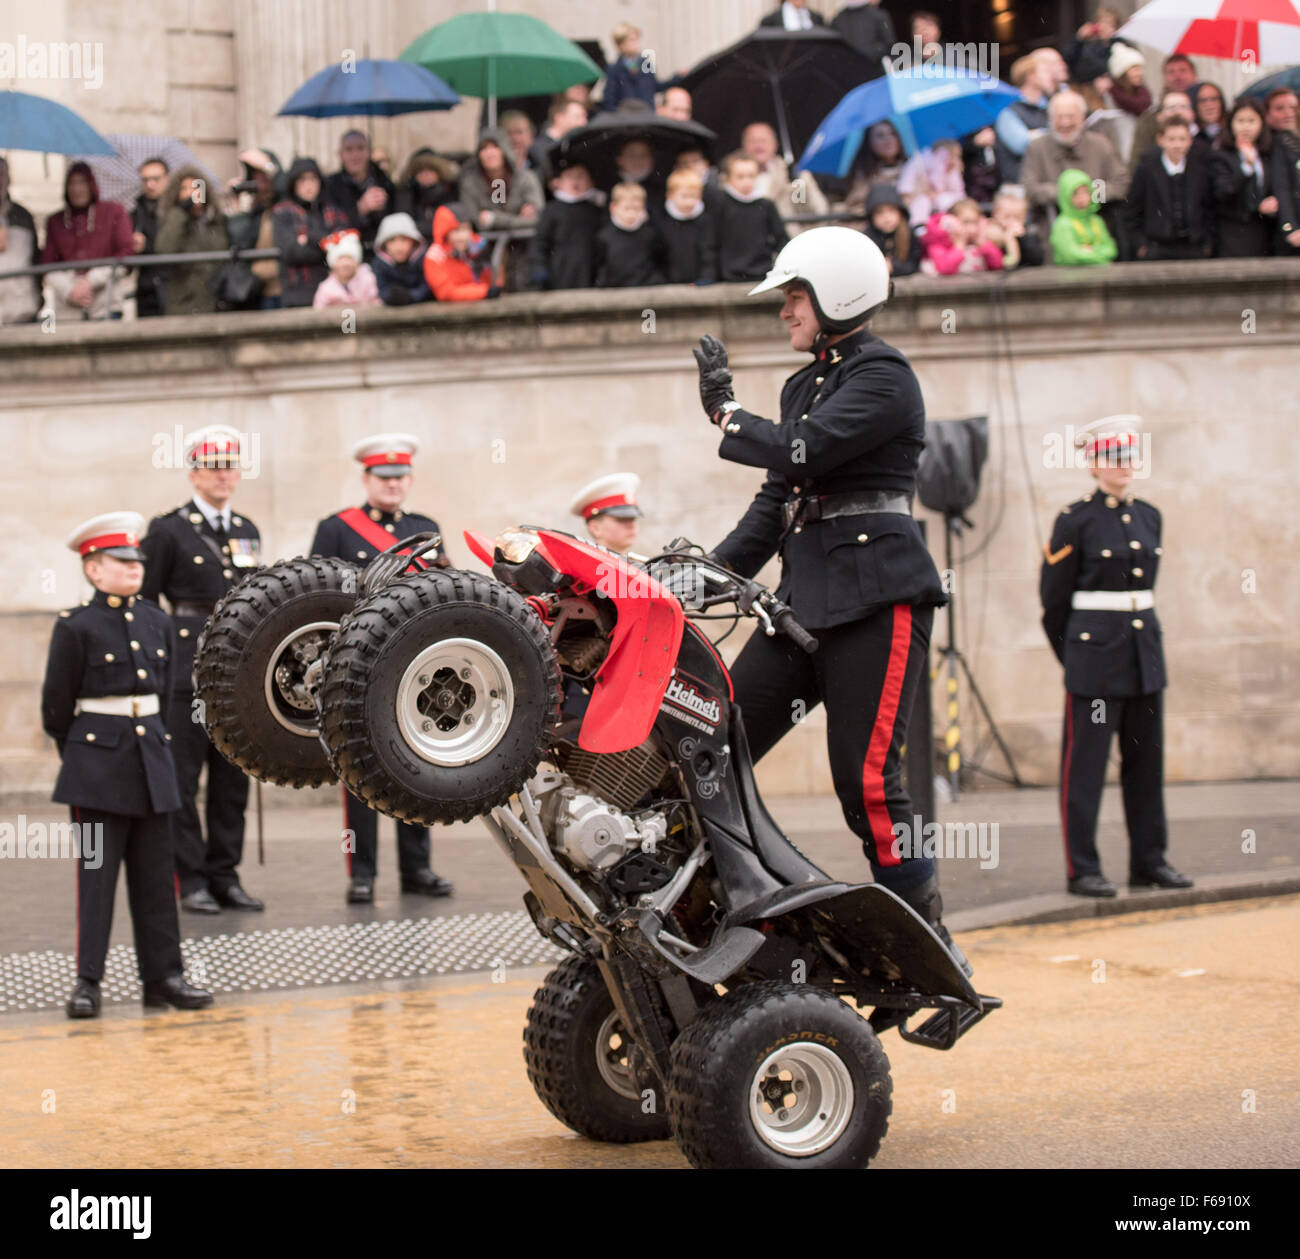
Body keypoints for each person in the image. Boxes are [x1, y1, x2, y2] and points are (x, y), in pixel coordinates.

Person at [693, 226, 963, 967]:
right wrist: (694, 579)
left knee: (867, 782)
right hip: (804, 603)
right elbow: (774, 502)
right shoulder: (804, 382)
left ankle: (928, 944)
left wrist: (727, 414)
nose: (784, 309)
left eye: (795, 295)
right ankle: (725, 910)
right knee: (711, 740)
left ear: (838, 294)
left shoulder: (885, 375)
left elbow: (797, 447)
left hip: (878, 599)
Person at [43, 513, 214, 1019]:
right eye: (120, 561)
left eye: (136, 560)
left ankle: (163, 978)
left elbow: (162, 695)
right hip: (97, 770)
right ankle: (87, 982)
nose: (134, 568)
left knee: (158, 879)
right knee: (96, 879)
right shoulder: (75, 627)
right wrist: (84, 758)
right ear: (93, 569)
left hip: (152, 765)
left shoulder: (157, 621)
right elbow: (56, 711)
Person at [1040, 418, 1192, 898]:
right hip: (1093, 662)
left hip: (1144, 657)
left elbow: (1145, 591)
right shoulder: (1074, 519)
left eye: (1128, 458)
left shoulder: (1150, 515)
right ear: (1093, 464)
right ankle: (1081, 868)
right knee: (1084, 770)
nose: (1123, 467)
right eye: (1112, 458)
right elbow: (1053, 605)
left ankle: (1150, 861)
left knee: (1145, 765)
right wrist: (1078, 659)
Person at [309, 434, 455, 905]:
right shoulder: (336, 529)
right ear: (366, 479)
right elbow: (319, 595)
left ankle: (417, 868)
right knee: (361, 769)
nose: (392, 485)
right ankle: (363, 873)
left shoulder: (425, 527)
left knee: (417, 765)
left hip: (417, 665)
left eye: (399, 477)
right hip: (360, 663)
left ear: (409, 480)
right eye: (383, 477)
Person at [140, 425, 263, 915]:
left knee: (233, 779)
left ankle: (224, 875)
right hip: (185, 673)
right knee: (184, 779)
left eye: (229, 467)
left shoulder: (246, 529)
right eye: (212, 467)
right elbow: (147, 601)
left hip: (235, 671)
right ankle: (189, 879)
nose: (222, 476)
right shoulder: (168, 529)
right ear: (194, 474)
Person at [41, 161, 134, 322]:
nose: (77, 189)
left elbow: (126, 254)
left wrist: (91, 281)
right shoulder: (56, 221)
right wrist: (70, 290)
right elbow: (47, 264)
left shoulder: (114, 212)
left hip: (104, 304)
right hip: (69, 308)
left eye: (82, 182)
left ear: (91, 184)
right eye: (72, 183)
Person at [1023, 91, 1129, 228]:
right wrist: (1069, 194)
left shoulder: (1101, 145)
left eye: (1071, 116)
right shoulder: (1037, 148)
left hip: (1100, 226)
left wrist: (1090, 194)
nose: (1065, 123)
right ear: (1050, 119)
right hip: (1053, 228)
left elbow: (1121, 184)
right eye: (1059, 117)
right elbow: (1031, 190)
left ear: (1082, 118)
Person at [456, 129, 544, 291]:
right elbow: (475, 222)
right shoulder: (471, 183)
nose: (490, 153)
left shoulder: (525, 179)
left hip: (525, 249)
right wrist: (518, 220)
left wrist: (495, 219)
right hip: (484, 252)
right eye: (484, 148)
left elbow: (538, 218)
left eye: (494, 147)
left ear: (504, 149)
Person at [1123, 117, 1215, 261]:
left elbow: (1209, 207)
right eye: (1171, 139)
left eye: (1182, 139)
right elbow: (1132, 210)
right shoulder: (1146, 169)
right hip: (1157, 248)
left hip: (1194, 247)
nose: (1177, 145)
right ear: (1160, 140)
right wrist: (1141, 246)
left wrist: (1207, 243)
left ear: (1190, 141)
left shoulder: (1200, 169)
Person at [271, 157, 350, 308]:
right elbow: (290, 252)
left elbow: (345, 248)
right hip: (297, 294)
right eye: (302, 180)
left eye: (313, 179)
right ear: (293, 183)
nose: (308, 185)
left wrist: (309, 239)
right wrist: (326, 244)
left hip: (335, 291)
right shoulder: (283, 212)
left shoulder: (333, 211)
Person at [153, 164, 229, 315]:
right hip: (185, 302)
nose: (191, 193)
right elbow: (164, 249)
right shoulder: (174, 219)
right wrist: (180, 213)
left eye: (195, 187)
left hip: (216, 300)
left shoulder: (216, 220)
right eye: (184, 189)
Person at [1210, 100, 1277, 258]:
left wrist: (1274, 201)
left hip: (1265, 231)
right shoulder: (1221, 155)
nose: (1246, 127)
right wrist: (1246, 166)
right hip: (1234, 232)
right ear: (1231, 124)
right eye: (1240, 121)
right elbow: (1224, 192)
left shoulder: (1268, 153)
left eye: (1251, 121)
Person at [223, 147, 284, 311]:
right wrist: (236, 207)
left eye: (264, 178)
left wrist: (268, 166)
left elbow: (285, 188)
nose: (261, 184)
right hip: (257, 291)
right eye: (256, 179)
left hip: (284, 288)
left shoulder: (283, 205)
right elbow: (240, 242)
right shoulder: (254, 213)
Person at [742, 121, 830, 234]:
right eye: (753, 141)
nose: (758, 146)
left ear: (775, 144)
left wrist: (800, 185)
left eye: (763, 141)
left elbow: (816, 212)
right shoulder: (731, 177)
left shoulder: (792, 174)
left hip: (785, 239)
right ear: (744, 145)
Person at [714, 151, 787, 283]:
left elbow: (781, 239)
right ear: (728, 178)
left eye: (751, 176)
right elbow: (711, 242)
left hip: (762, 274)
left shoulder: (766, 205)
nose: (747, 181)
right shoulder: (720, 204)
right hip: (727, 278)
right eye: (740, 177)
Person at [322, 130, 396, 257]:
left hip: (383, 257)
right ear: (340, 154)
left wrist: (383, 208)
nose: (355, 155)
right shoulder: (330, 186)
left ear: (369, 152)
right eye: (349, 150)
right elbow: (331, 229)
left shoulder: (385, 183)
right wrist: (360, 209)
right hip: (347, 258)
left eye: (361, 148)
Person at [994, 51, 1062, 180]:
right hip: (1023, 184)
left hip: (1051, 178)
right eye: (1045, 72)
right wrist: (1054, 132)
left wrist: (1035, 134)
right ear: (1031, 76)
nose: (1051, 76)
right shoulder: (1008, 110)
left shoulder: (1050, 104)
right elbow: (1021, 145)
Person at [423, 203, 501, 302]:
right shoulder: (435, 257)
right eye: (456, 231)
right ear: (445, 233)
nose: (462, 236)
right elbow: (446, 293)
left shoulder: (479, 247)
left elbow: (492, 279)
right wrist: (484, 292)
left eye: (465, 229)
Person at [595, 182, 665, 287]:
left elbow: (659, 262)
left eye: (636, 208)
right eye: (627, 208)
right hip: (613, 292)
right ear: (613, 208)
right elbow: (598, 265)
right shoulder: (604, 236)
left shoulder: (650, 234)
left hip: (646, 291)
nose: (631, 214)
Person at [0, 155, 42, 325]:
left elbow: (35, 259)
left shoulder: (23, 216)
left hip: (21, 310)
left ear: (9, 179)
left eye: (1, 174)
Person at [603, 22, 681, 111]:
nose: (636, 44)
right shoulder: (614, 69)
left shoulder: (646, 64)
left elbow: (655, 87)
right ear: (620, 45)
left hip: (647, 115)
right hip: (627, 118)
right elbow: (609, 98)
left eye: (637, 39)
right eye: (631, 40)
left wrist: (677, 78)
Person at [658, 168, 718, 285]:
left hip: (700, 283)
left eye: (694, 196)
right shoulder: (663, 223)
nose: (689, 202)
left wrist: (706, 278)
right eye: (684, 196)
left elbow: (709, 254)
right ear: (670, 195)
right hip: (669, 284)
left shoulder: (705, 222)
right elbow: (659, 257)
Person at [1049, 168, 1118, 266]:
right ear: (1066, 195)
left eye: (1085, 192)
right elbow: (1070, 255)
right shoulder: (1063, 224)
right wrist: (1100, 256)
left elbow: (1111, 249)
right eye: (1075, 193)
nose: (1081, 197)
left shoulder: (1096, 220)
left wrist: (1091, 251)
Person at [130, 157, 169, 318]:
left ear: (167, 179)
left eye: (156, 179)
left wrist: (147, 245)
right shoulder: (136, 213)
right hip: (146, 289)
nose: (150, 184)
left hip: (171, 286)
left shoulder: (177, 211)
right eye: (145, 179)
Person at [1128, 89, 1196, 179]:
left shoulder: (1202, 147)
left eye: (1183, 107)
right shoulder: (1148, 159)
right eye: (1172, 108)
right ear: (1160, 116)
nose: (1177, 112)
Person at [393, 149, 457, 243]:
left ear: (440, 172)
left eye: (431, 170)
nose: (425, 174)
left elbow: (452, 223)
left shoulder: (450, 191)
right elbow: (404, 223)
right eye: (420, 171)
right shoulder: (408, 193)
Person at [897, 139, 965, 226]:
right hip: (917, 205)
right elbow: (905, 190)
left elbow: (959, 194)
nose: (955, 160)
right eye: (952, 155)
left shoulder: (952, 171)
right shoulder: (918, 164)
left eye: (957, 156)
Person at [569, 473, 643, 555]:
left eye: (633, 518)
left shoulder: (641, 565)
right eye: (622, 519)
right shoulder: (581, 566)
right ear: (595, 528)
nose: (632, 525)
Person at [371, 212, 432, 304]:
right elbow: (380, 288)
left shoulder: (424, 260)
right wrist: (391, 296)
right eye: (392, 240)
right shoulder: (379, 264)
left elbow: (428, 286)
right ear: (383, 245)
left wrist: (411, 296)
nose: (398, 247)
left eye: (404, 239)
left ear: (414, 241)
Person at [528, 97, 588, 187]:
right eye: (577, 117)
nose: (584, 122)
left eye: (585, 117)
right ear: (559, 118)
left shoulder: (578, 145)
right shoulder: (537, 148)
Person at [312, 229, 380, 308]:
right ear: (333, 264)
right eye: (340, 259)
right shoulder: (326, 288)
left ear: (357, 262)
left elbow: (377, 302)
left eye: (349, 258)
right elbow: (318, 311)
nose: (345, 263)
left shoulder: (369, 280)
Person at [863, 184, 920, 277]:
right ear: (871, 216)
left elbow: (914, 265)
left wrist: (893, 267)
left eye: (891, 210)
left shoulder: (909, 234)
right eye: (879, 212)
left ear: (900, 212)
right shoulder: (867, 238)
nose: (886, 217)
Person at [990, 183, 1045, 267]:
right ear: (995, 214)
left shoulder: (1029, 234)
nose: (1012, 221)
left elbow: (1037, 259)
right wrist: (1007, 239)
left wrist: (1023, 238)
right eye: (1007, 216)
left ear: (1025, 217)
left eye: (1017, 217)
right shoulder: (991, 232)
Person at [831, 1, 896, 71]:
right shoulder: (838, 19)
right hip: (849, 70)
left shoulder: (878, 15)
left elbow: (889, 44)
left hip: (874, 68)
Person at [1191, 81, 1227, 152]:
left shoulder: (1232, 133)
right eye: (1203, 100)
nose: (1209, 106)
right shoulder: (1191, 135)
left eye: (1214, 99)